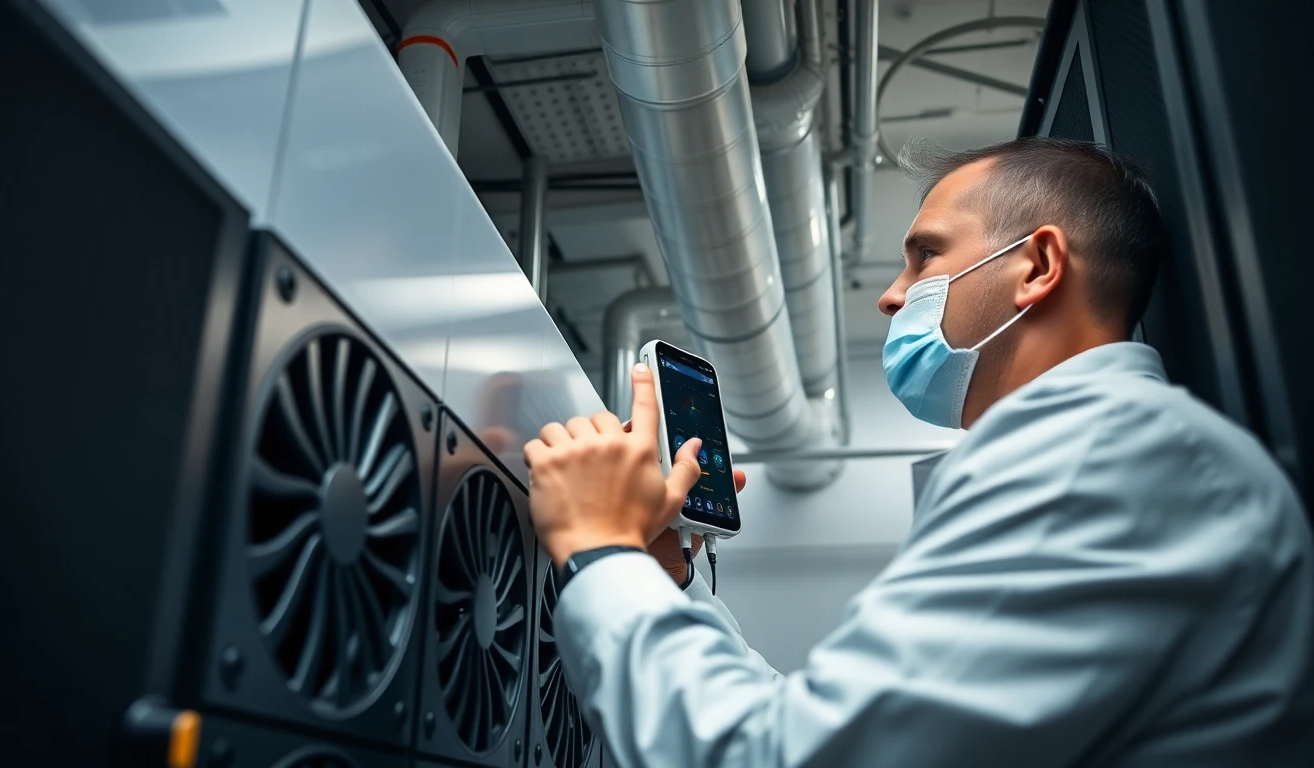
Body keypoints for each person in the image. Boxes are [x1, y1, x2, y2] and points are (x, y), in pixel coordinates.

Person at [522, 137, 1314, 766]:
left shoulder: (1101, 464)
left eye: (926, 255)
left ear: (1036, 266)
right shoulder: (1100, 458)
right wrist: (666, 580)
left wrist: (600, 550)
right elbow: (830, 728)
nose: (893, 294)